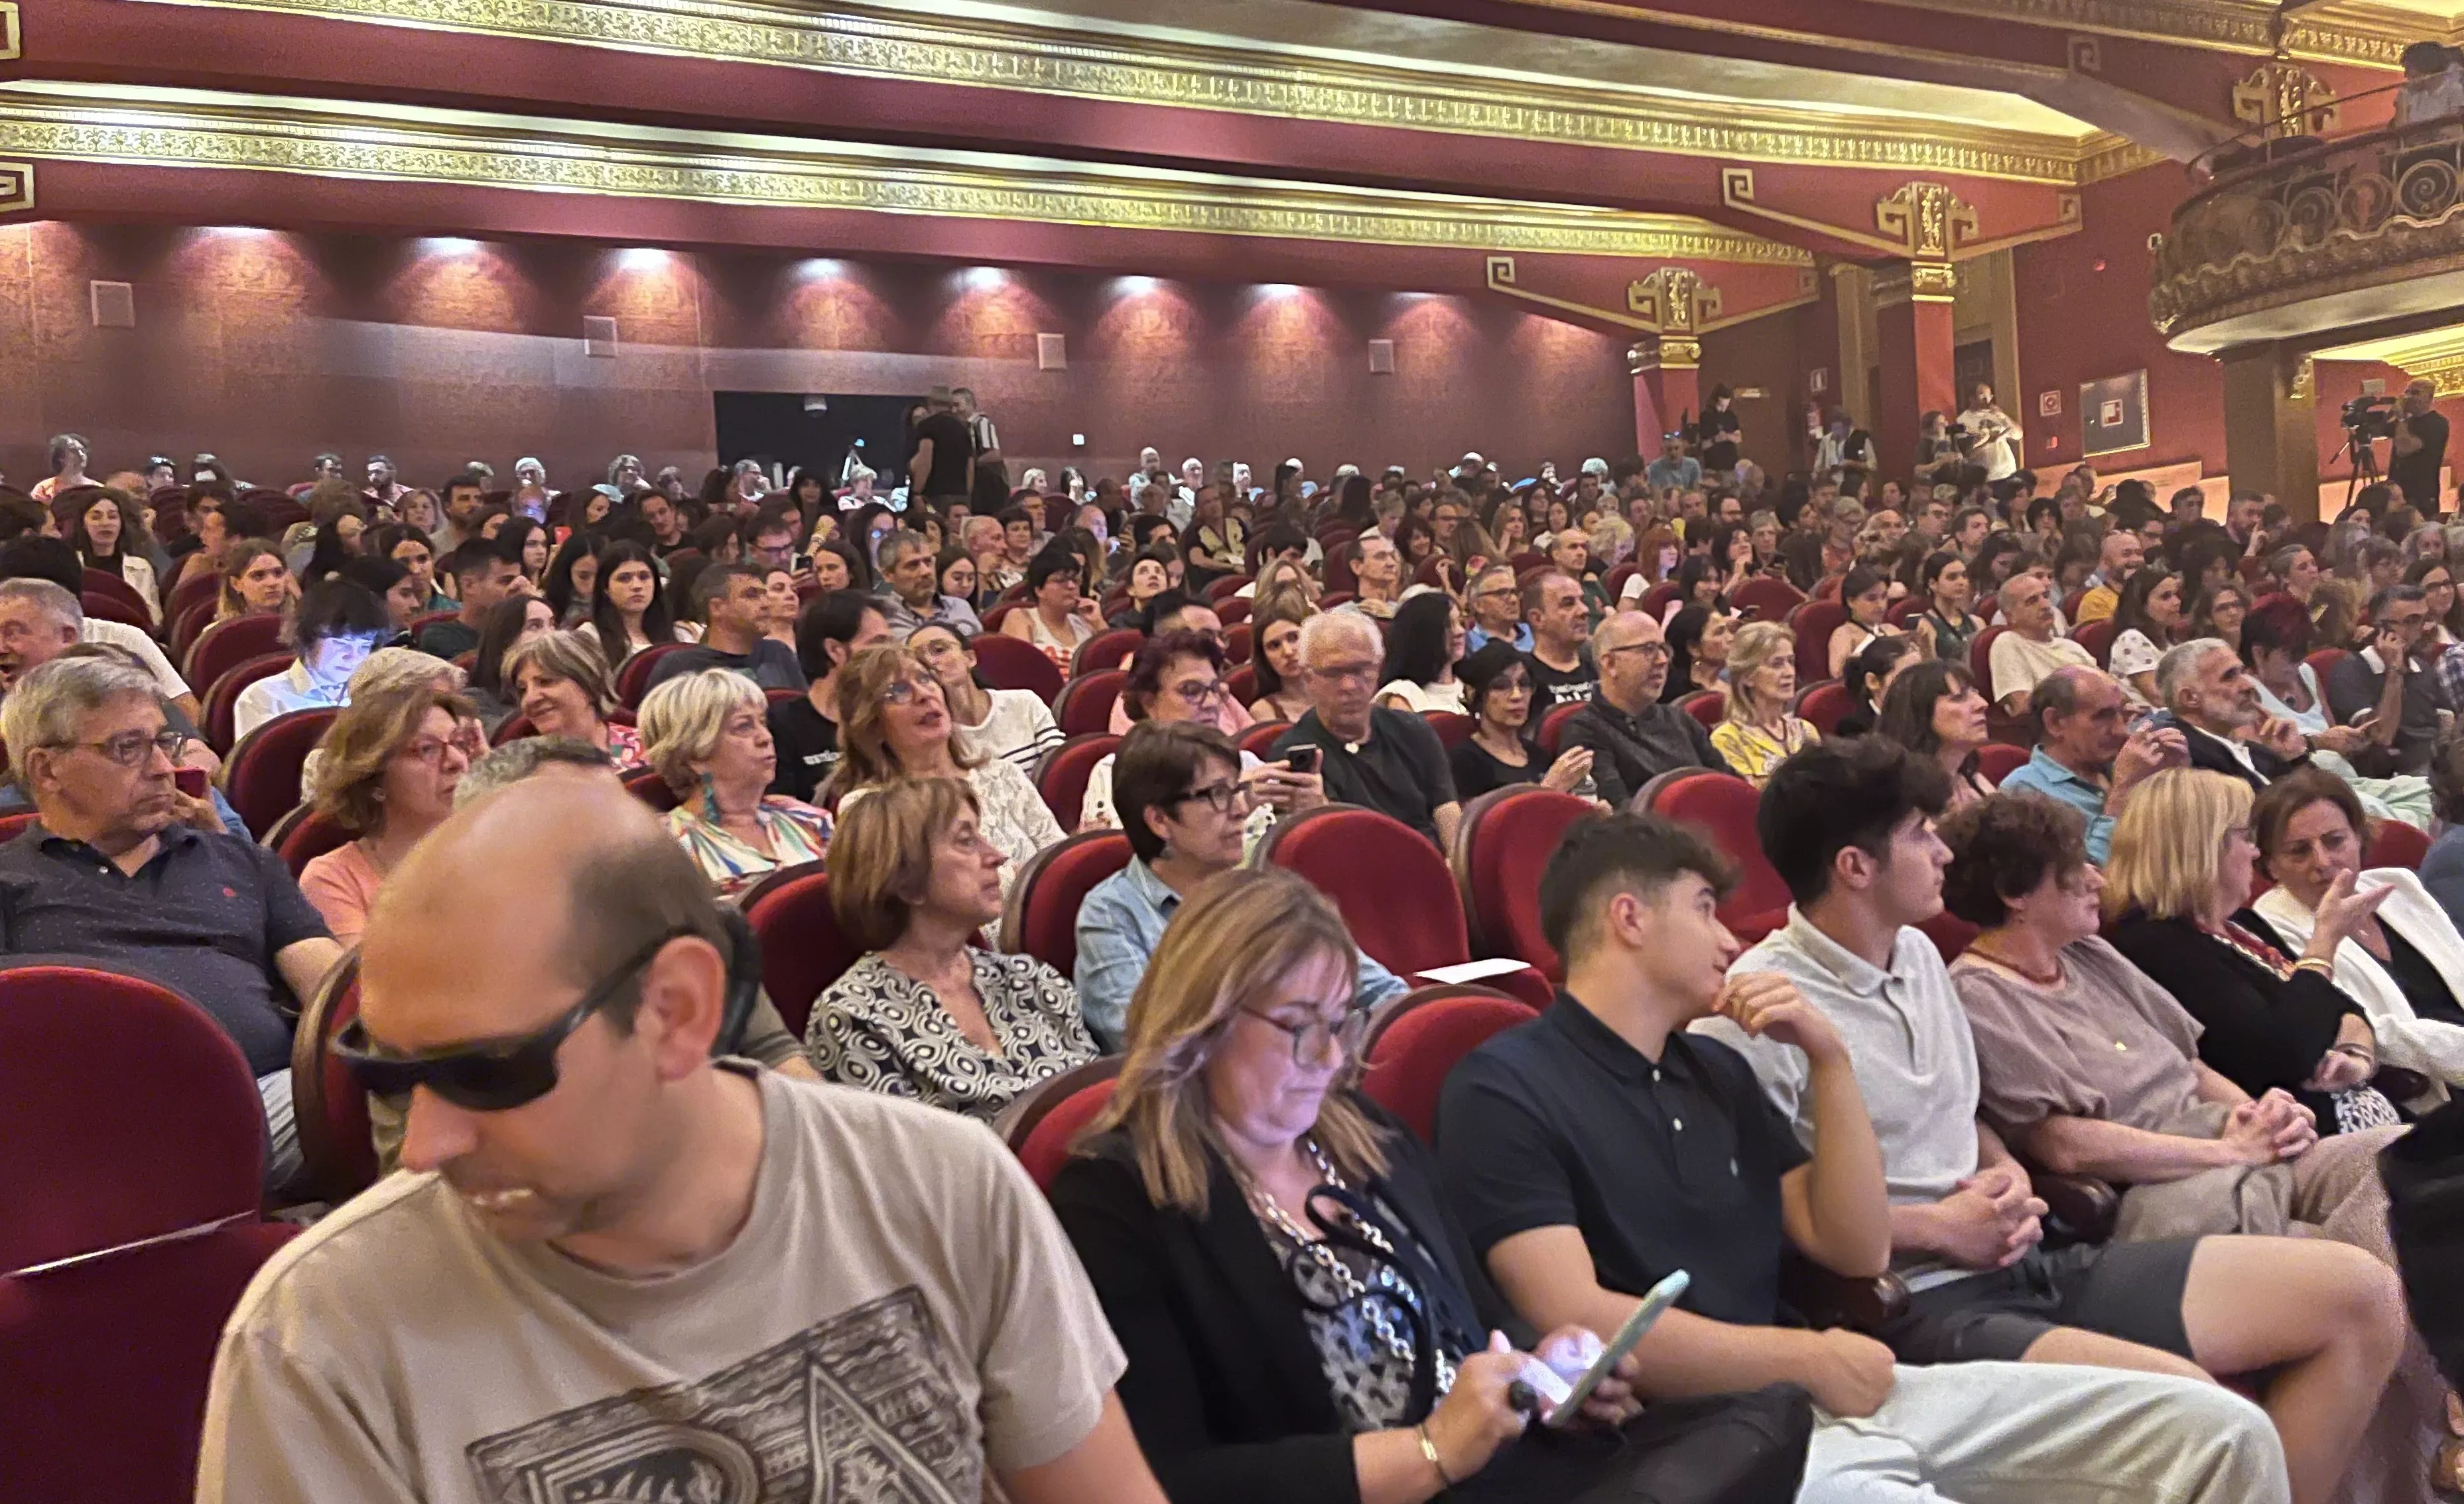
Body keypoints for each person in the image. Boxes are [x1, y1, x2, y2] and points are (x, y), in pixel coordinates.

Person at [197, 773, 1166, 1504]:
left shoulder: (944, 1186)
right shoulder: (321, 1335)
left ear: (678, 1010)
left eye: (487, 1073)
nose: (425, 1146)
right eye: (392, 1077)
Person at [1439, 806, 2292, 1504]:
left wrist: (1829, 1060)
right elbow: (1578, 1320)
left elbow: (1852, 1249)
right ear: (1628, 917)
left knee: (2221, 1434)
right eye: (1704, 907)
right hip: (1699, 1441)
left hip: (1824, 1394)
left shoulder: (1716, 1069)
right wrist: (1804, 1359)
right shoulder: (1505, 1086)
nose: (1731, 939)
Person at [1705, 743, 2404, 1504]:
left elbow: (1963, 1115)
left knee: (2360, 1297)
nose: (1943, 849)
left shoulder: (1912, 953)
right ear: (1855, 867)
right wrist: (1941, 1228)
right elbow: (1772, 1216)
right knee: (2210, 1412)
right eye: (1919, 833)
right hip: (1918, 1302)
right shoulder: (1758, 1010)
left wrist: (2002, 1170)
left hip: (2030, 1256)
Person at [1057, 864, 1806, 1504]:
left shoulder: (1365, 1139)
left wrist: (1546, 1380)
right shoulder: (1114, 1200)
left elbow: (1477, 1326)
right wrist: (1429, 1452)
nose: (1327, 1057)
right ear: (1202, 1019)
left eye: (1341, 1022)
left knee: (1767, 1414)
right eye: (1296, 1025)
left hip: (1511, 1469)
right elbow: (1167, 1479)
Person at [1938, 793, 2449, 1504]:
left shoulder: (2088, 955)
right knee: (2368, 1254)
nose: (2095, 878)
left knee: (2401, 1157)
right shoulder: (1980, 995)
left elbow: (2190, 1061)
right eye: (2072, 871)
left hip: (2230, 1146)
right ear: (2016, 896)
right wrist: (2228, 1155)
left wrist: (2260, 1109)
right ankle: (2408, 1463)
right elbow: (2065, 1147)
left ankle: (2430, 1443)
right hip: (2161, 1186)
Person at [0, 657, 344, 1192]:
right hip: (83, 1131)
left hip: (263, 1108)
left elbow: (336, 994)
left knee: (409, 1080)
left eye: (164, 742)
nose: (163, 767)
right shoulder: (9, 879)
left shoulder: (241, 863)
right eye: (128, 748)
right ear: (47, 770)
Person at [2106, 768, 2404, 1135]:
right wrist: (2325, 939)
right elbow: (2282, 1056)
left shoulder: (2242, 925)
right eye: (2244, 837)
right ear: (2202, 848)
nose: (2256, 851)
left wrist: (2357, 1058)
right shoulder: (2157, 944)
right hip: (2303, 1142)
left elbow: (2347, 1010)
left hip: (2366, 1113)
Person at [805, 775, 1094, 1119]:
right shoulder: (854, 1019)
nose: (998, 857)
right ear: (904, 880)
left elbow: (1106, 1103)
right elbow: (902, 1165)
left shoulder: (1031, 979)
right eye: (966, 842)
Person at [2248, 768, 2464, 1096]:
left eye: (2335, 841)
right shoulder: (2269, 928)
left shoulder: (2399, 884)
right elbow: (2363, 1031)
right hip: (2423, 1094)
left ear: (2359, 838)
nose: (2322, 861)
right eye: (2299, 851)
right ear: (2270, 865)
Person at [828, 644, 1064, 900]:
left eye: (925, 678)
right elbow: (917, 906)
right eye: (898, 691)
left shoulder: (1002, 774)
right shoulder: (870, 808)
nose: (923, 695)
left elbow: (1060, 862)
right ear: (872, 726)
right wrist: (1023, 879)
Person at [298, 680, 482, 942]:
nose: (456, 761)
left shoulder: (498, 850)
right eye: (426, 749)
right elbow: (373, 982)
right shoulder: (333, 879)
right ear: (374, 781)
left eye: (459, 743)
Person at [1086, 630, 1316, 836]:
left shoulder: (1246, 764)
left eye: (1215, 689)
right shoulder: (1114, 774)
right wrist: (1233, 800)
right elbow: (1139, 865)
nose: (1211, 703)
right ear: (1149, 703)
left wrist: (1310, 807)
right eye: (1192, 691)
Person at [639, 668, 833, 899]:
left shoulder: (807, 820)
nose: (766, 737)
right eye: (744, 726)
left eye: (763, 723)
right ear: (695, 755)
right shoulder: (670, 850)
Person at [1271, 613, 1459, 850]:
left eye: (1360, 669)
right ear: (1309, 679)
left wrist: (1455, 865)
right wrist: (1319, 808)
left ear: (1379, 668)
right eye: (1333, 673)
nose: (1349, 686)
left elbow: (1445, 805)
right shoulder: (1294, 754)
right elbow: (1325, 848)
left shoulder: (1413, 729)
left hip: (1431, 863)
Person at [1995, 666, 2185, 864]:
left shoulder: (2125, 764)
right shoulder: (2024, 792)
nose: (2122, 731)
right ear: (2055, 722)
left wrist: (2173, 779)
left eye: (2124, 715)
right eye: (2103, 716)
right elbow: (2080, 882)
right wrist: (2122, 791)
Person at [1559, 611, 1732, 806]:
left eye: (1663, 649)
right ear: (1610, 664)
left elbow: (1730, 785)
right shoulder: (1585, 730)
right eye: (1648, 649)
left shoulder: (1679, 719)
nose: (1663, 660)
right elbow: (1619, 812)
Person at [231, 577, 392, 741]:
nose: (353, 656)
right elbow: (262, 766)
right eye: (340, 643)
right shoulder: (264, 698)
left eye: (364, 646)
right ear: (307, 637)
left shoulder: (375, 695)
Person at [769, 590, 891, 803]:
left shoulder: (889, 714)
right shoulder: (780, 723)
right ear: (835, 651)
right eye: (878, 644)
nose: (890, 655)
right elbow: (783, 812)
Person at [2151, 637, 2315, 794]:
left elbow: (2316, 803)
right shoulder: (2184, 759)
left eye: (2241, 672)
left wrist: (2294, 757)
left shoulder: (2259, 752)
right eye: (2229, 677)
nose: (2248, 685)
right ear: (2189, 698)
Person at [1447, 643, 1596, 802]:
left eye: (1524, 684)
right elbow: (1477, 825)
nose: (1517, 696)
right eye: (1501, 686)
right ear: (1474, 693)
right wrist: (1550, 788)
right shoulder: (1464, 761)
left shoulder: (1538, 755)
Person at [907, 619, 1061, 771]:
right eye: (919, 660)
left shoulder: (1024, 703)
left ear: (970, 658)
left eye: (940, 649)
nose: (930, 661)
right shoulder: (936, 732)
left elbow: (1057, 770)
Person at [2327, 586, 2442, 777]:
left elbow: (2446, 725)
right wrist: (2394, 672)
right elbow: (2382, 736)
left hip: (2438, 767)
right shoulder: (2350, 670)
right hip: (2398, 775)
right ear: (2382, 628)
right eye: (2412, 620)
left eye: (2426, 618)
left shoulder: (2424, 668)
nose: (2424, 628)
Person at [642, 564, 806, 694]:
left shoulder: (779, 653)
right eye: (751, 595)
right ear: (717, 607)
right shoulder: (679, 666)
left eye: (764, 595)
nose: (765, 604)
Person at [503, 629, 646, 771]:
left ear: (589, 684)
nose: (530, 698)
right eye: (523, 690)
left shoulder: (645, 749)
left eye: (546, 681)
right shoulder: (521, 770)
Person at [1873, 658, 1994, 807]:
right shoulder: (1898, 799)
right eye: (1959, 698)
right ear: (1920, 713)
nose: (1983, 704)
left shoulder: (1972, 782)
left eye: (1975, 693)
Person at [1986, 574, 2094, 718]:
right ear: (2010, 616)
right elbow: (2022, 706)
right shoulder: (2008, 643)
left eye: (2046, 596)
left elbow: (2110, 688)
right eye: (2032, 601)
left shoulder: (2071, 646)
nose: (2045, 605)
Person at [577, 539, 682, 668]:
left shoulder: (678, 635)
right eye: (624, 579)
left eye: (644, 577)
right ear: (605, 588)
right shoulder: (589, 637)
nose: (637, 586)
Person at [462, 594, 558, 733]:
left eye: (552, 624)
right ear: (506, 640)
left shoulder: (569, 683)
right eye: (535, 626)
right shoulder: (475, 699)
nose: (551, 634)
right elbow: (503, 739)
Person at [61, 486, 160, 621]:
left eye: (112, 516)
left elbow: (155, 617)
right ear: (83, 524)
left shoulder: (141, 567)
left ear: (121, 523)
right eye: (96, 517)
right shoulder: (69, 564)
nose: (105, 523)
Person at [415, 536, 520, 662]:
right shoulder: (440, 637)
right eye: (506, 581)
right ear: (469, 585)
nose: (517, 587)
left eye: (519, 580)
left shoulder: (519, 629)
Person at [1003, 540, 1101, 672]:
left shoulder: (1085, 623)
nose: (1071, 586)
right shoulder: (1021, 617)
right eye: (1061, 580)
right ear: (1039, 590)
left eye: (1075, 581)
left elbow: (1110, 663)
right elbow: (1022, 670)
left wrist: (1098, 623)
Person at [875, 527, 984, 638]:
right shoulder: (883, 617)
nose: (926, 572)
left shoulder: (959, 606)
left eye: (928, 562)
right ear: (888, 575)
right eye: (913, 565)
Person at [1376, 594, 1467, 714]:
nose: (1460, 631)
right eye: (1448, 626)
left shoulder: (1471, 689)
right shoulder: (1403, 696)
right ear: (1423, 635)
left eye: (1460, 622)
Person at [1520, 570, 1597, 708]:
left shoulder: (1602, 667)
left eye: (1582, 601)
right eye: (1568, 604)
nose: (1584, 610)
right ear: (1537, 619)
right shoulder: (1522, 677)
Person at [1248, 597, 1315, 724]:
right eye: (1274, 646)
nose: (1288, 652)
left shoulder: (1337, 688)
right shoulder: (1263, 710)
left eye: (1294, 638)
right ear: (1264, 658)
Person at [2390, 378, 2449, 518]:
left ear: (2429, 397)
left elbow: (2405, 448)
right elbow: (2376, 430)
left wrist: (2401, 419)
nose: (2408, 397)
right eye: (2407, 392)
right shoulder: (2405, 422)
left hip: (2421, 496)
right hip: (2397, 494)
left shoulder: (2437, 423)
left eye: (2415, 393)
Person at [1914, 552, 1980, 667]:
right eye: (1952, 577)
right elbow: (1929, 672)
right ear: (1933, 584)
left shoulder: (1977, 622)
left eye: (1964, 576)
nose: (1961, 582)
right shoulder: (1925, 626)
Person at [217, 536, 294, 622]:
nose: (272, 583)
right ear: (236, 584)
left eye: (278, 573)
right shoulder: (220, 634)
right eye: (258, 576)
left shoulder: (304, 627)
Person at [1956, 384, 2021, 483]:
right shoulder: (1963, 421)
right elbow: (1968, 454)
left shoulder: (1996, 415)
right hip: (1986, 478)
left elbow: (2018, 435)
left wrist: (2004, 417)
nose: (1987, 400)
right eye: (1982, 396)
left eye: (1989, 396)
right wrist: (1989, 442)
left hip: (2008, 472)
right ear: (1972, 398)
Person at [1462, 564, 1530, 655]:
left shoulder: (1533, 632)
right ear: (1478, 605)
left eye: (1514, 592)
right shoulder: (1467, 645)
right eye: (1501, 593)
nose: (1514, 600)